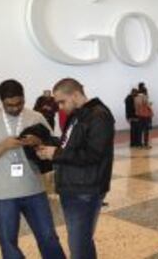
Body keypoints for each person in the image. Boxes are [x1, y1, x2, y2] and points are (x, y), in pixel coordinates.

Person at [36, 78, 115, 259]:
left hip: (84, 190)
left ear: (76, 95)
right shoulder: (79, 115)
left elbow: (93, 155)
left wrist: (56, 154)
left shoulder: (99, 116)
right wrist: (47, 143)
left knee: (79, 246)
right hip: (74, 186)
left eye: (62, 101)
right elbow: (70, 145)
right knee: (81, 241)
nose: (60, 107)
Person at [0, 80, 65, 259]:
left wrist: (39, 142)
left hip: (34, 189)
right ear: (1, 101)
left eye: (19, 103)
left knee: (48, 237)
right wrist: (3, 146)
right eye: (10, 105)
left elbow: (53, 146)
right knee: (8, 243)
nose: (16, 108)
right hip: (2, 194)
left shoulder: (36, 117)